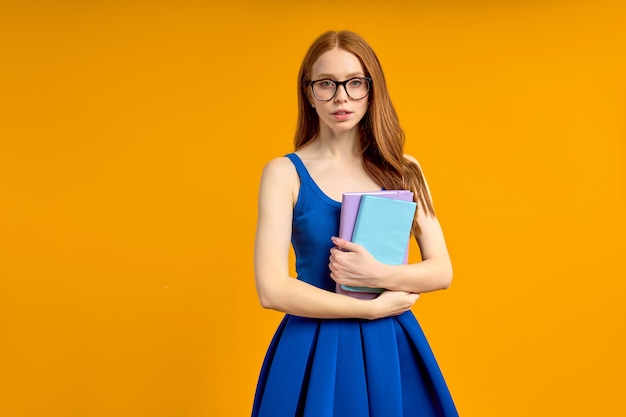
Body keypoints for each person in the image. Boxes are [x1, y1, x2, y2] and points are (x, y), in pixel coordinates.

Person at [252, 30, 458, 417]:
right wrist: (368, 309)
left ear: (371, 89)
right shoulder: (284, 173)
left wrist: (375, 273)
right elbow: (271, 290)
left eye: (354, 83)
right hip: (312, 346)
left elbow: (441, 271)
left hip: (391, 347)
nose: (341, 97)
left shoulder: (405, 168)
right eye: (326, 84)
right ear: (309, 93)